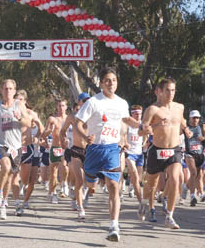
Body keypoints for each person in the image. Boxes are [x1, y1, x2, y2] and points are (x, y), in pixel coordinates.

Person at [75, 67, 140, 242]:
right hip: (94, 149)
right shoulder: (93, 102)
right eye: (107, 80)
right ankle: (90, 186)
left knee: (114, 185)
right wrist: (84, 136)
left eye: (114, 80)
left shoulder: (121, 103)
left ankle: (114, 226)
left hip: (112, 148)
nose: (111, 83)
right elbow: (78, 123)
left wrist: (140, 126)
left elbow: (126, 119)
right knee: (89, 183)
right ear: (101, 83)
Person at [139, 77, 192, 230]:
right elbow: (141, 130)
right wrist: (151, 127)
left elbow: (181, 120)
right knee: (150, 185)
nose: (171, 93)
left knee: (176, 180)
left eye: (173, 90)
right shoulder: (153, 109)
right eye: (167, 90)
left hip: (174, 150)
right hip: (157, 150)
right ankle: (144, 203)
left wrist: (186, 129)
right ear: (160, 92)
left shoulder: (179, 107)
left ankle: (169, 216)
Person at [0, 79, 31, 220]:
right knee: (5, 168)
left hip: (15, 147)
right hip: (1, 144)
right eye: (5, 88)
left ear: (14, 90)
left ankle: (2, 206)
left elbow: (28, 123)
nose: (8, 91)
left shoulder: (19, 105)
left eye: (11, 89)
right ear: (1, 90)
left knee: (10, 178)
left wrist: (20, 119)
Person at [60, 92, 91, 219]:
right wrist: (63, 139)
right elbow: (63, 130)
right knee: (79, 179)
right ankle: (80, 208)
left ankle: (79, 195)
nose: (85, 103)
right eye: (83, 100)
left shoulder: (93, 115)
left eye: (87, 100)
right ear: (78, 102)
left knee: (89, 182)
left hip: (91, 150)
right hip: (76, 150)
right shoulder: (72, 116)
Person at [15, 90, 44, 213]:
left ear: (25, 101)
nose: (18, 102)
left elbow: (42, 128)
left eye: (21, 99)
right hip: (16, 146)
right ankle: (14, 199)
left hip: (32, 148)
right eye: (16, 99)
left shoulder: (31, 113)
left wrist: (37, 136)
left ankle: (25, 200)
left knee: (31, 179)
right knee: (13, 172)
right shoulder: (11, 112)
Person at [41, 98, 69, 204]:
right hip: (55, 148)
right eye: (59, 106)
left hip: (65, 148)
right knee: (53, 172)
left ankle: (64, 183)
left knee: (65, 167)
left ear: (66, 107)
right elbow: (45, 132)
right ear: (56, 107)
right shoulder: (52, 119)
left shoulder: (69, 119)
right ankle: (53, 193)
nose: (61, 108)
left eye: (63, 106)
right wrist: (47, 133)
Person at [123, 105, 147, 218]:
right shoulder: (128, 124)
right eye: (136, 113)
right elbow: (122, 135)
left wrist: (144, 143)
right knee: (135, 176)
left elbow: (146, 135)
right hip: (129, 154)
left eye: (139, 113)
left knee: (138, 178)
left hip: (139, 154)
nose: (138, 115)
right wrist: (124, 143)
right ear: (132, 114)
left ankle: (132, 187)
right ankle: (141, 201)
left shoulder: (143, 124)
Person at [183, 110, 205, 206]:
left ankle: (185, 187)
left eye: (197, 118)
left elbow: (201, 139)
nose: (196, 119)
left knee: (197, 176)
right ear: (190, 118)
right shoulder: (186, 128)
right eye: (194, 117)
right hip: (189, 154)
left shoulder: (200, 128)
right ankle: (192, 197)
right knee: (193, 173)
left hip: (199, 154)